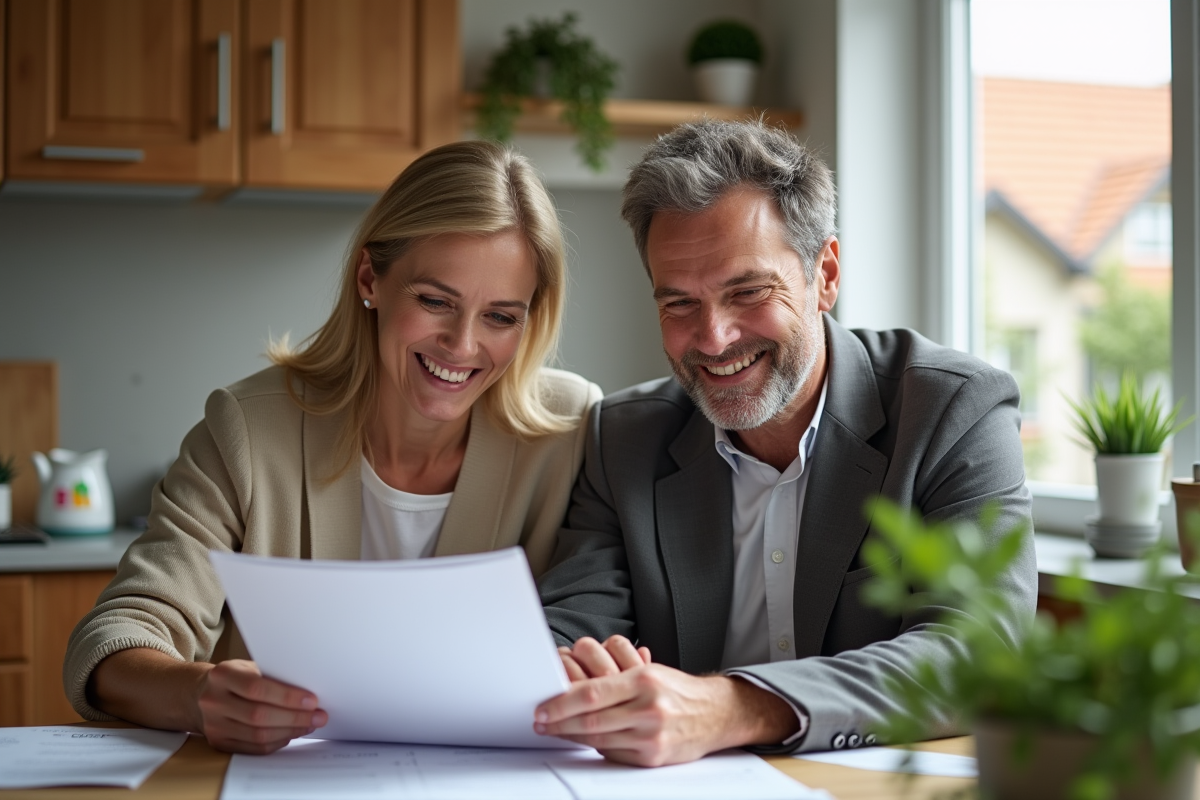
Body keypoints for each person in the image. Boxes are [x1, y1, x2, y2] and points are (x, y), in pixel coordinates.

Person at [65, 140, 602, 755]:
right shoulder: (248, 429)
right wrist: (198, 694)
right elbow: (112, 640)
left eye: (501, 317)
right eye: (435, 301)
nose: (461, 344)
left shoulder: (572, 429)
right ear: (370, 278)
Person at [533, 119, 1037, 766]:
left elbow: (976, 653)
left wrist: (736, 707)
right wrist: (567, 670)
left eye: (747, 291)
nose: (712, 338)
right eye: (679, 303)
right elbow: (569, 630)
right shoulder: (623, 438)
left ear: (824, 274)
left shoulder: (951, 411)